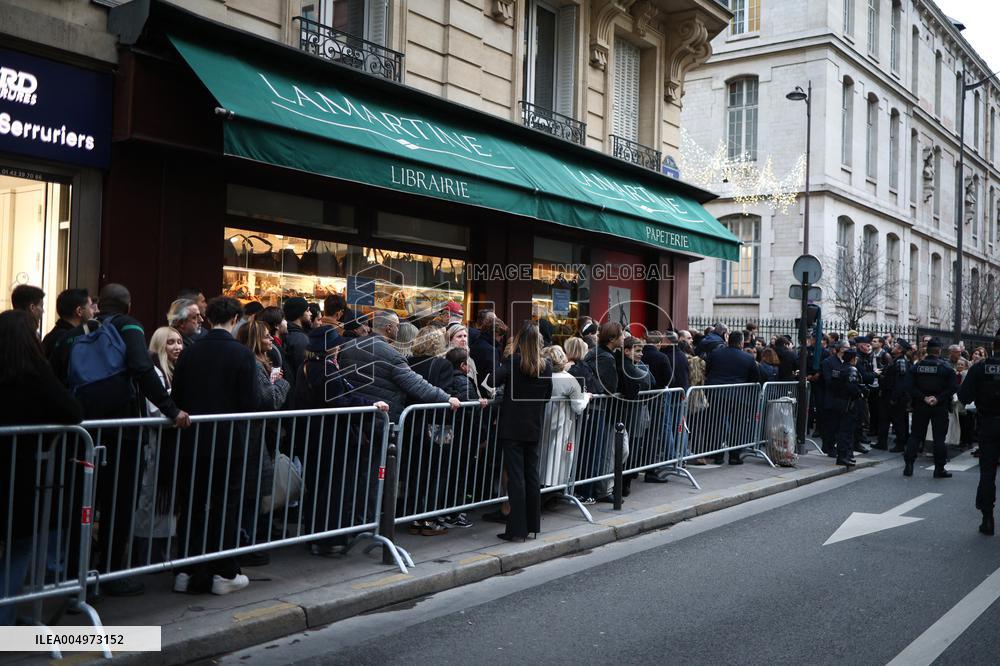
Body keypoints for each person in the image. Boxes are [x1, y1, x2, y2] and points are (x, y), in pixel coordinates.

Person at [50, 283, 189, 596]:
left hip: (81, 432)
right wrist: (171, 409)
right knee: (118, 503)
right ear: (128, 304)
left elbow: (57, 380)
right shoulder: (130, 326)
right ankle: (112, 573)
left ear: (100, 304)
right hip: (122, 432)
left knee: (82, 503)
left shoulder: (70, 336)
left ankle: (76, 577)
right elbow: (142, 368)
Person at [170, 297, 259, 596]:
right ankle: (224, 571)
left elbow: (178, 394)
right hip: (228, 442)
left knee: (192, 504)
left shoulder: (191, 352)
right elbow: (251, 402)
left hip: (193, 440)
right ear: (235, 320)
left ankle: (185, 569)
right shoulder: (242, 354)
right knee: (226, 506)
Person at [0, 310, 84, 624]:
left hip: (16, 467)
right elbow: (72, 411)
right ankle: (4, 619)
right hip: (19, 469)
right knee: (18, 547)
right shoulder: (34, 371)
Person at [289, 325, 389, 554]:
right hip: (330, 437)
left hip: (317, 435)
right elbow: (340, 401)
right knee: (332, 489)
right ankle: (328, 539)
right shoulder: (323, 369)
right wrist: (369, 405)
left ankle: (316, 537)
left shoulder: (309, 366)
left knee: (319, 486)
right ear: (330, 347)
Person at [338, 311, 460, 424]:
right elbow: (415, 384)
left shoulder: (348, 347)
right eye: (397, 326)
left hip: (352, 416)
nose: (398, 330)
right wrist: (446, 398)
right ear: (389, 328)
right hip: (380, 418)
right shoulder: (392, 355)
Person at [492, 321, 552, 542]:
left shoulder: (512, 362)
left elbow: (491, 382)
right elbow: (547, 396)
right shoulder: (546, 366)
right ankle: (532, 525)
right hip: (533, 425)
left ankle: (516, 529)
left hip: (511, 426)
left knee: (516, 478)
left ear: (519, 341)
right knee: (531, 474)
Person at [956, 331, 1000, 535]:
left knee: (987, 473)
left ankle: (987, 517)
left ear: (994, 346)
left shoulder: (980, 368)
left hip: (988, 423)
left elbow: (964, 396)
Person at [902, 338, 958, 479]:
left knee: (915, 435)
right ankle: (939, 468)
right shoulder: (946, 368)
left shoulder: (916, 367)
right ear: (939, 350)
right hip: (939, 406)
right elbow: (953, 387)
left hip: (921, 405)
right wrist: (937, 398)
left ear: (927, 350)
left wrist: (923, 397)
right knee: (939, 438)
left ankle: (909, 465)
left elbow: (908, 386)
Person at [705, 331, 761, 464]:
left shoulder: (716, 353)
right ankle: (734, 456)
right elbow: (755, 378)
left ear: (728, 340)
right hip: (739, 396)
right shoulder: (748, 358)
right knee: (737, 426)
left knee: (716, 424)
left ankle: (717, 455)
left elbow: (708, 370)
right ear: (741, 343)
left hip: (717, 394)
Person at [539, 345, 591, 488]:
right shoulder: (569, 379)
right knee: (557, 457)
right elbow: (578, 406)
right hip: (561, 423)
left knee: (542, 454)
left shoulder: (540, 376)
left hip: (541, 421)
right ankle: (553, 487)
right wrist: (586, 396)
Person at [828, 348, 864, 467]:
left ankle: (846, 455)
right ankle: (843, 456)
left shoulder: (838, 368)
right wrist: (860, 392)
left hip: (837, 402)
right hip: (848, 404)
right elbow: (852, 387)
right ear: (853, 358)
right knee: (846, 431)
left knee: (841, 430)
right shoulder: (851, 369)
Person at [877, 339, 912, 452]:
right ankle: (881, 442)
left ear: (900, 350)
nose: (893, 347)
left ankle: (900, 444)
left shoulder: (901, 361)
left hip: (894, 397)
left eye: (895, 346)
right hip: (888, 394)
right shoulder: (895, 360)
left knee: (898, 421)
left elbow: (900, 382)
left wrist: (894, 397)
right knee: (884, 419)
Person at [42, 288, 96, 358]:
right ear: (79, 311)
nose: (95, 311)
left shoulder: (50, 336)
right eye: (91, 307)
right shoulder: (72, 340)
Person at [282, 297, 311, 379]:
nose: (310, 313)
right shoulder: (300, 338)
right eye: (307, 310)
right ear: (300, 313)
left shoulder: (287, 332)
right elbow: (303, 368)